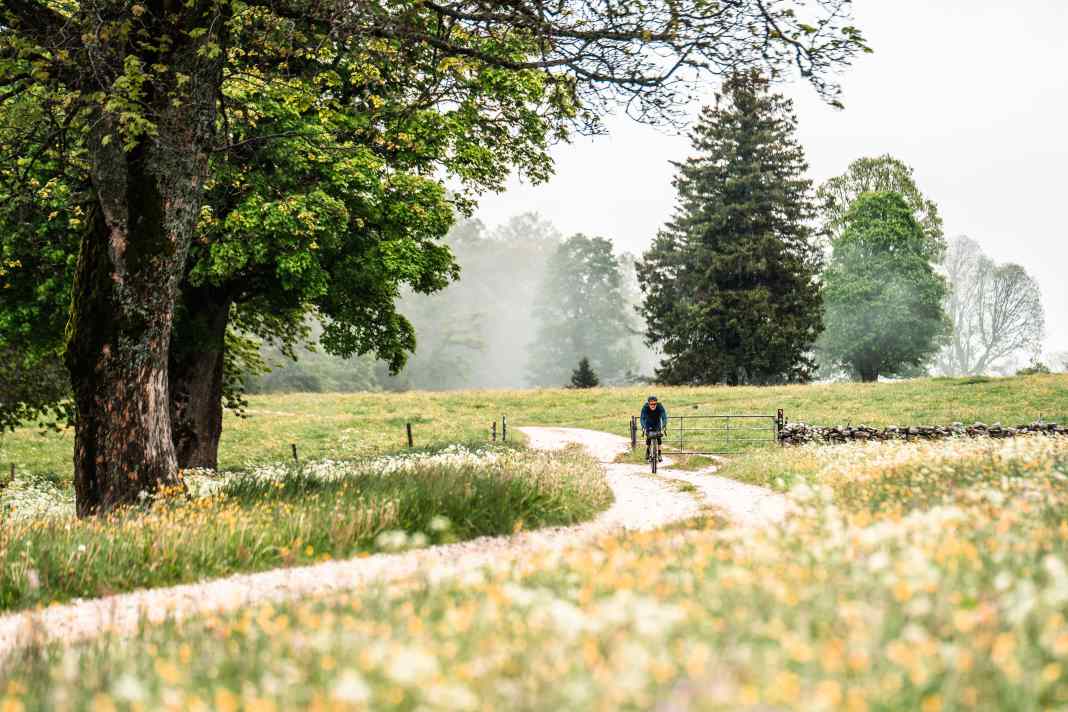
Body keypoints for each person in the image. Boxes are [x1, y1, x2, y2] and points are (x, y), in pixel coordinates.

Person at [640, 395, 668, 462]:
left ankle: (659, 453)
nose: (653, 406)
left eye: (655, 404)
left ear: (657, 403)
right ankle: (647, 451)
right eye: (651, 404)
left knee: (659, 437)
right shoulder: (645, 407)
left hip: (657, 423)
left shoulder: (660, 406)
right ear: (648, 403)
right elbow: (642, 418)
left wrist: (664, 425)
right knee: (649, 437)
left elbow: (664, 416)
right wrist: (643, 427)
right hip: (648, 423)